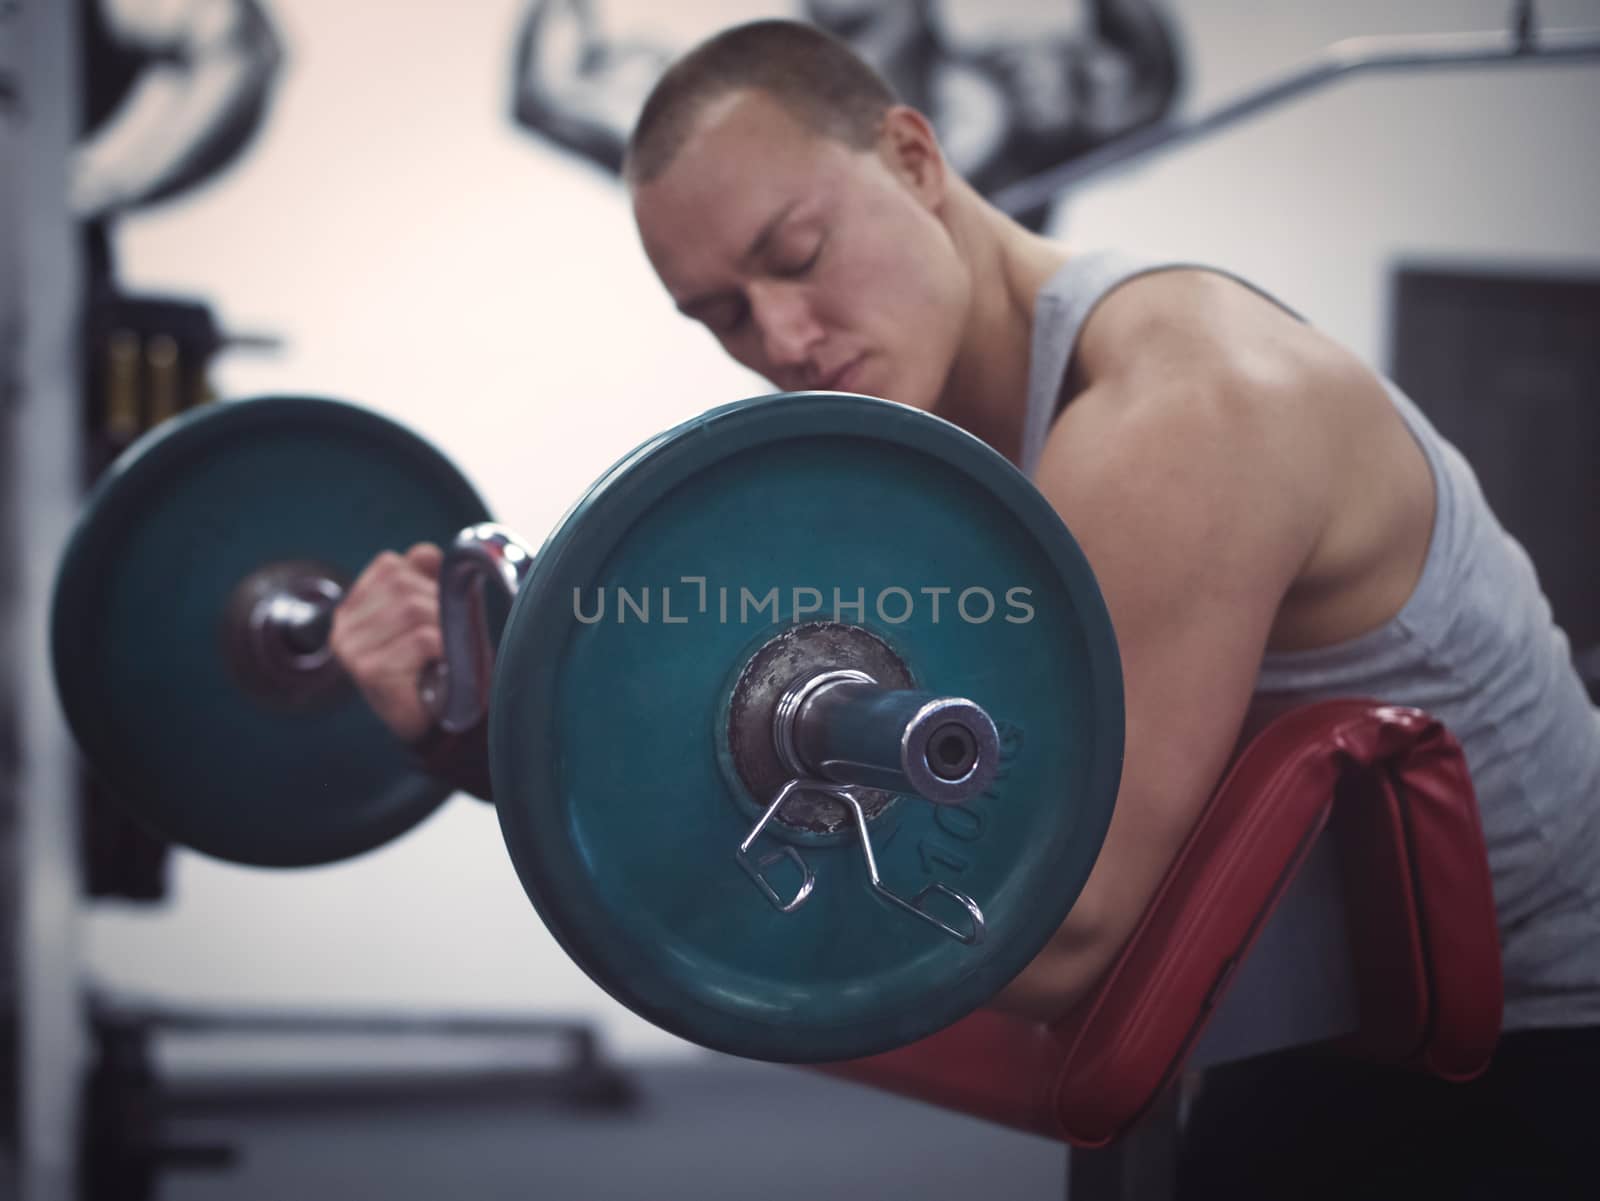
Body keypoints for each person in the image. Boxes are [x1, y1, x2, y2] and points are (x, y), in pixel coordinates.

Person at [331, 19, 1599, 1196]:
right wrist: (493, 734)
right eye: (720, 312)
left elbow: (1053, 936)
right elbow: (810, 766)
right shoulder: (916, 452)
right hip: (1306, 1018)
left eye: (796, 256)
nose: (779, 336)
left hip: (1532, 1046)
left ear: (913, 155)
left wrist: (593, 805)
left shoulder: (1183, 407)